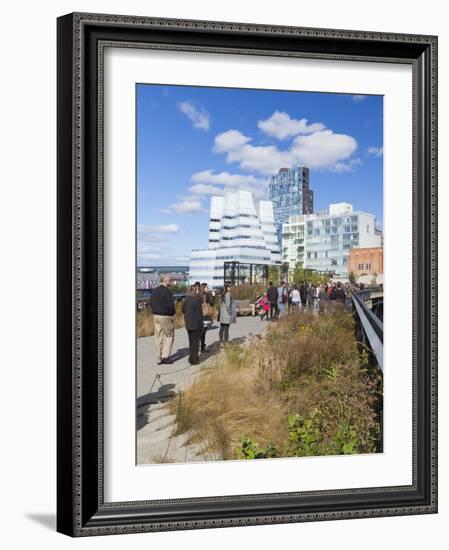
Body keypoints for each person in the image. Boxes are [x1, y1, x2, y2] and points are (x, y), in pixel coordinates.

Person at [149, 275, 175, 365]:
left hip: (155, 315)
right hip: (165, 315)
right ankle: (165, 356)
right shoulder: (168, 292)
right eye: (169, 281)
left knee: (158, 336)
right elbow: (171, 305)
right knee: (170, 335)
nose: (170, 282)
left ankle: (158, 358)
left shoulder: (154, 291)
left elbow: (150, 302)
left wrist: (154, 310)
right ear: (165, 281)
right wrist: (172, 313)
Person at [182, 285, 204, 365]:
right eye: (197, 290)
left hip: (188, 323)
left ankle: (191, 358)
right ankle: (194, 360)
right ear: (195, 291)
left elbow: (183, 310)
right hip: (196, 324)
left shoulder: (186, 299)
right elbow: (199, 314)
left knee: (191, 342)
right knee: (195, 343)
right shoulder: (197, 300)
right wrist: (201, 325)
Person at [200, 282, 215, 352]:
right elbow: (212, 304)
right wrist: (214, 296)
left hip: (200, 315)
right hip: (205, 315)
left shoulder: (199, 295)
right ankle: (202, 347)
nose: (208, 288)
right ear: (204, 288)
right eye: (207, 287)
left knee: (201, 331)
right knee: (203, 331)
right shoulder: (207, 295)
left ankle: (201, 345)